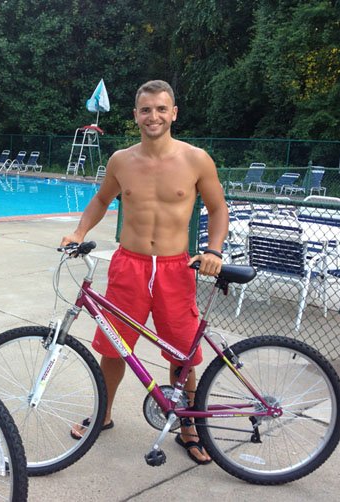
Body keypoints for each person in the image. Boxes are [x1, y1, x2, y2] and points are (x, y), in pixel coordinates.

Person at [61, 80, 228, 465]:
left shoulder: (196, 159)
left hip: (175, 267)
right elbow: (102, 199)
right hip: (129, 266)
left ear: (173, 113)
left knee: (182, 353)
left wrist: (213, 250)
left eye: (160, 109)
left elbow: (218, 209)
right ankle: (103, 414)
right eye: (146, 109)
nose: (153, 116)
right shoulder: (121, 160)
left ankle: (187, 426)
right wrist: (79, 232)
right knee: (114, 347)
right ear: (136, 115)